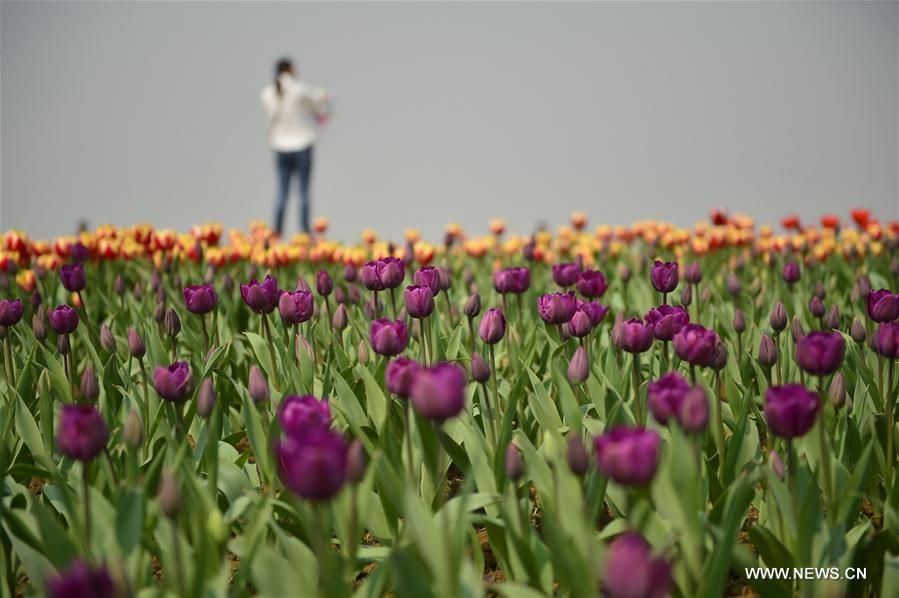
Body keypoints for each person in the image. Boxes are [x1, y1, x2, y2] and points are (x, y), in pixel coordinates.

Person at [260, 58, 332, 236]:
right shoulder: (300, 90)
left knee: (282, 191)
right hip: (302, 144)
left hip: (280, 146)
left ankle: (276, 232)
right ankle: (305, 232)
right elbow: (320, 104)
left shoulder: (268, 93)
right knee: (303, 191)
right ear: (291, 69)